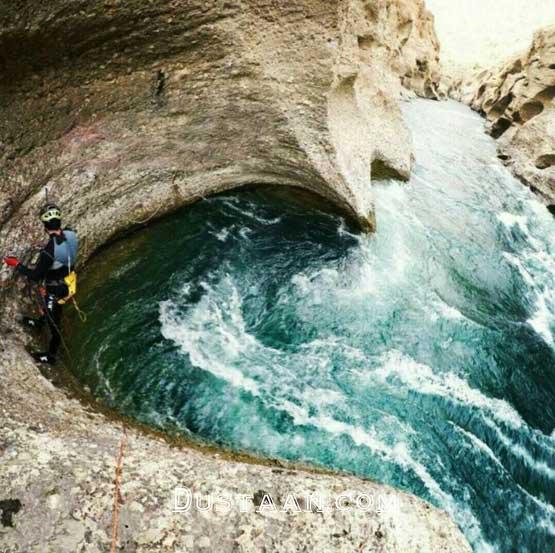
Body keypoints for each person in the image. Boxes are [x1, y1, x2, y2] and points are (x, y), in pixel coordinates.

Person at [2, 204, 78, 365]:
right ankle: (39, 323)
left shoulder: (48, 252)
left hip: (56, 288)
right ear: (59, 221)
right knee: (48, 307)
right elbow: (61, 247)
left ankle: (51, 356)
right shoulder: (71, 234)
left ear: (45, 226)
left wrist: (16, 264)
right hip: (68, 280)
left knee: (54, 324)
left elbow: (36, 276)